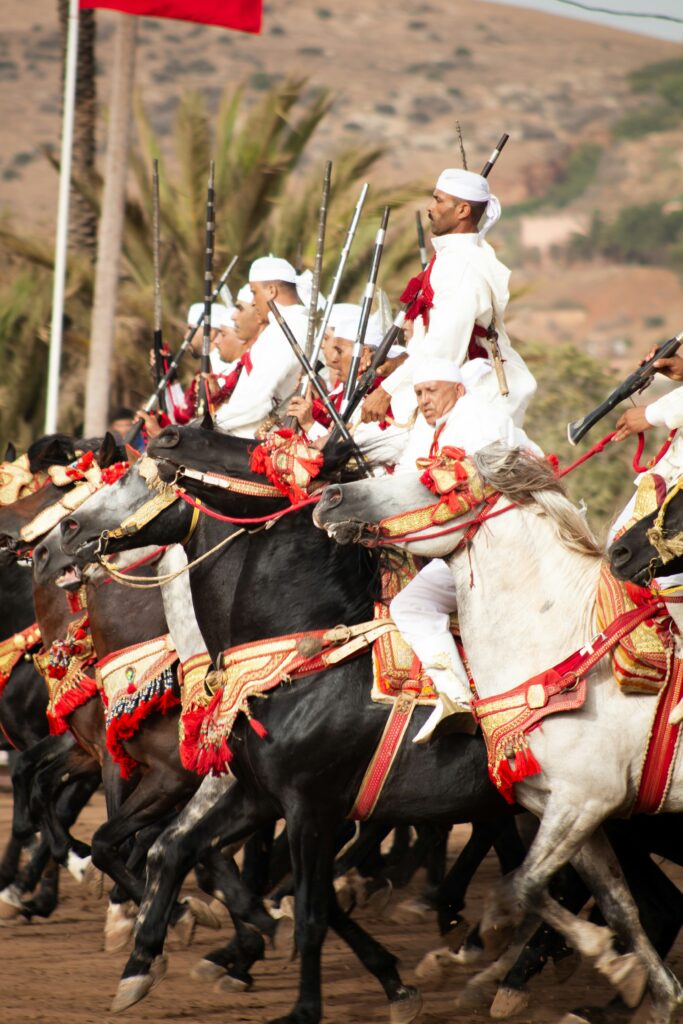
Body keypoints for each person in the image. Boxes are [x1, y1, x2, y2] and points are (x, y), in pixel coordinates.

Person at [390, 356, 540, 744]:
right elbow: (406, 478)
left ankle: (457, 695)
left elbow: (469, 488)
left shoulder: (478, 418)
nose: (423, 400)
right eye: (419, 392)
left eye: (431, 391)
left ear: (457, 389)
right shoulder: (432, 430)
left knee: (410, 606)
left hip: (503, 542)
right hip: (469, 546)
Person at [361, 168, 536, 429]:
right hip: (445, 389)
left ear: (463, 210)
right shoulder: (452, 258)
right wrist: (398, 363)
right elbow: (433, 341)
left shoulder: (460, 267)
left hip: (468, 397)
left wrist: (385, 391)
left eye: (438, 200)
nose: (430, 208)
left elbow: (443, 349)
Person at [286, 303, 409, 468]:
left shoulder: (379, 392)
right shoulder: (352, 388)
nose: (334, 358)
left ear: (364, 353)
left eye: (340, 350)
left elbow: (357, 453)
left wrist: (310, 425)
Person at [214, 256, 308, 437]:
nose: (254, 301)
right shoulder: (284, 327)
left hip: (250, 446)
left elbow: (257, 402)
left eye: (254, 292)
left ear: (271, 290)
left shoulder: (288, 329)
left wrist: (212, 423)